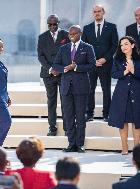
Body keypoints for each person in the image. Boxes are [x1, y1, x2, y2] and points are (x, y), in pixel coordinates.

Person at [53, 25, 96, 153]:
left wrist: (76, 67)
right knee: (69, 117)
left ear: (80, 33)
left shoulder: (88, 48)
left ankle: (80, 144)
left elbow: (92, 65)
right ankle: (71, 144)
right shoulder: (63, 48)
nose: (71, 36)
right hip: (66, 88)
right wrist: (65, 68)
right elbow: (55, 65)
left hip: (81, 88)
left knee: (81, 117)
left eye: (74, 34)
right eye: (70, 34)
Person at [82, 5, 118, 122]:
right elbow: (84, 47)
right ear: (93, 13)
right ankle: (89, 113)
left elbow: (114, 45)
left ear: (103, 12)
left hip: (106, 64)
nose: (97, 13)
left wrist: (104, 59)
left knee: (106, 89)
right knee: (90, 89)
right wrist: (92, 60)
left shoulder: (112, 27)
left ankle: (107, 114)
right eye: (95, 12)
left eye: (99, 11)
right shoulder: (87, 28)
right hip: (91, 65)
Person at [37, 14, 70, 136]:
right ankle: (52, 127)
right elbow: (40, 56)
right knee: (51, 101)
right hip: (48, 73)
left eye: (54, 24)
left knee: (65, 100)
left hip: (63, 74)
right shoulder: (42, 37)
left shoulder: (66, 35)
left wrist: (60, 69)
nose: (52, 26)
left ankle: (67, 128)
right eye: (49, 24)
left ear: (58, 23)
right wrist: (51, 69)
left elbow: (69, 54)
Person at [108, 36, 140, 155]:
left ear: (132, 45)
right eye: (121, 45)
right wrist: (125, 71)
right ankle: (124, 148)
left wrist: (133, 71)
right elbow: (113, 74)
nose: (123, 47)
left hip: (137, 94)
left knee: (137, 122)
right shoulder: (117, 59)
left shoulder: (138, 59)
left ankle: (137, 149)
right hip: (121, 94)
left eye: (126, 44)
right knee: (123, 121)